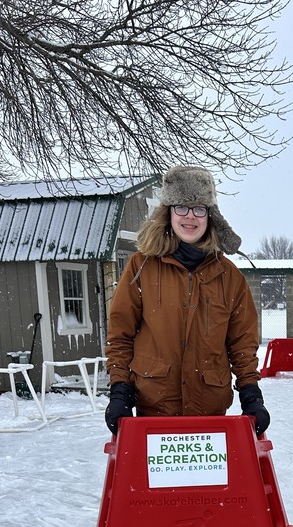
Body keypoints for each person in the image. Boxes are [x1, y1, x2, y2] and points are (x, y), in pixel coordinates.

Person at [104, 165, 269, 438]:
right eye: (181, 207)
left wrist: (251, 393)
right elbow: (120, 336)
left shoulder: (229, 277)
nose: (190, 216)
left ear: (210, 215)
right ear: (168, 212)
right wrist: (120, 389)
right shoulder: (140, 267)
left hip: (210, 417)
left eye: (199, 209)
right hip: (153, 411)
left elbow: (242, 344)